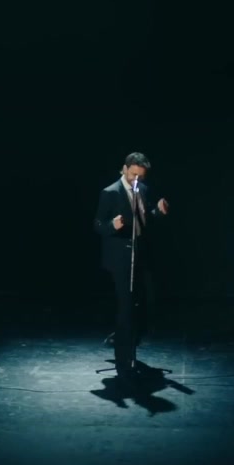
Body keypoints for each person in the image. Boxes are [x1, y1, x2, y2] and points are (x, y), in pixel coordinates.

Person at [93, 152, 169, 378]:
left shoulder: (142, 189)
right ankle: (123, 360)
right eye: (134, 175)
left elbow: (145, 219)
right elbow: (98, 225)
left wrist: (158, 212)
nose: (137, 180)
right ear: (125, 169)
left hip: (141, 255)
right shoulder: (110, 192)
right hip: (120, 258)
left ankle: (127, 341)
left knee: (144, 302)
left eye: (141, 177)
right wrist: (112, 226)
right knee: (126, 307)